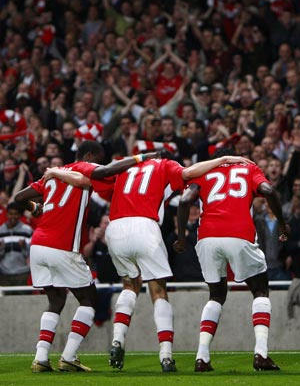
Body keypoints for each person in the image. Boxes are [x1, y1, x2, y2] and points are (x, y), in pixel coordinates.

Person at [45, 152, 254, 372]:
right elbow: (189, 172)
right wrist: (222, 160)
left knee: (129, 285)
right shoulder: (164, 164)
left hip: (115, 228)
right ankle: (165, 355)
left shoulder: (123, 167)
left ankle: (117, 340)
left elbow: (85, 180)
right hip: (145, 226)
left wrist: (55, 171)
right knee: (158, 291)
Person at [14, 140, 162, 373]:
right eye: (98, 160)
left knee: (56, 300)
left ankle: (41, 358)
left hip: (38, 244)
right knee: (90, 300)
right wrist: (140, 158)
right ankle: (69, 357)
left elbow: (19, 198)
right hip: (61, 246)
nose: (100, 165)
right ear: (90, 157)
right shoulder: (83, 167)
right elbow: (104, 171)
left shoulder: (55, 174)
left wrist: (37, 209)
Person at [174, 148, 289, 372]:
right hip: (239, 234)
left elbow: (184, 200)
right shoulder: (248, 169)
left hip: (207, 237)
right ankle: (261, 354)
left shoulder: (204, 172)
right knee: (260, 291)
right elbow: (268, 190)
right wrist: (282, 222)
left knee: (216, 294)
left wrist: (180, 237)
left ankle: (202, 356)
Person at [0, 202, 33, 288]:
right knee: (5, 301)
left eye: (16, 214)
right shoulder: (0, 231)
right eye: (10, 214)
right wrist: (1, 248)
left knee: (23, 300)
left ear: (20, 215)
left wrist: (24, 247)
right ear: (7, 214)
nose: (13, 217)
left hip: (22, 273)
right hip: (4, 273)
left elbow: (32, 254)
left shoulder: (27, 230)